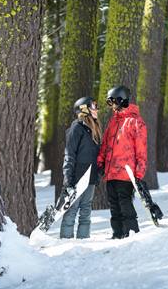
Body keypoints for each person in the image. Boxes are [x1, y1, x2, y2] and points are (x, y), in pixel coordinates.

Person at [97, 85, 147, 239]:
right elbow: (105, 145)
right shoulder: (113, 122)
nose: (112, 106)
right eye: (110, 103)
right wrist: (101, 163)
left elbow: (141, 149)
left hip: (126, 171)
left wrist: (139, 172)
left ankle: (132, 231)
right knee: (113, 203)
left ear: (122, 100)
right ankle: (118, 233)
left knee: (124, 202)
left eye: (114, 102)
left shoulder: (135, 121)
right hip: (111, 171)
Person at [60, 96, 102, 239]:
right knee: (71, 210)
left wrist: (98, 171)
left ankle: (83, 242)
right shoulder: (76, 128)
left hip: (90, 177)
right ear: (84, 109)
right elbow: (69, 155)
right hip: (77, 178)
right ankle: (66, 242)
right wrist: (68, 180)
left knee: (86, 210)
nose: (97, 109)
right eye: (94, 106)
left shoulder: (94, 129)